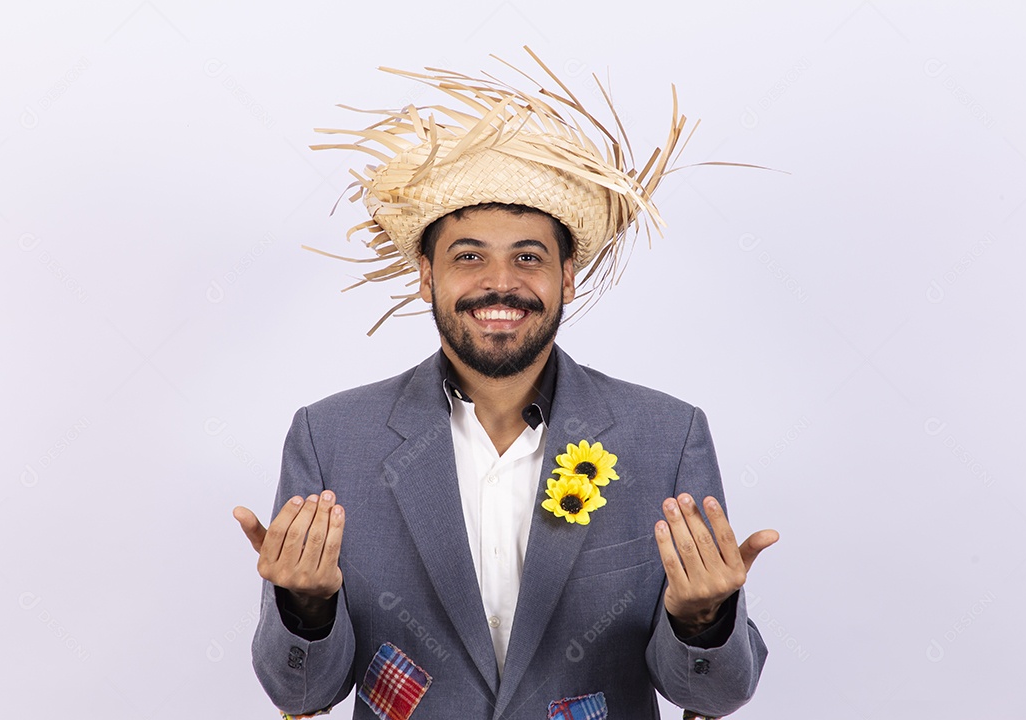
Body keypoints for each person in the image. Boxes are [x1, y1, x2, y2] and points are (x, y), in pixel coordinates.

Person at [233, 51, 778, 720]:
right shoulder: (330, 439)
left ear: (567, 276)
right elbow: (301, 693)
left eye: (528, 256)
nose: (500, 283)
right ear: (427, 276)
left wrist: (703, 621)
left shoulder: (665, 436)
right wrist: (305, 609)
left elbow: (715, 692)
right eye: (469, 257)